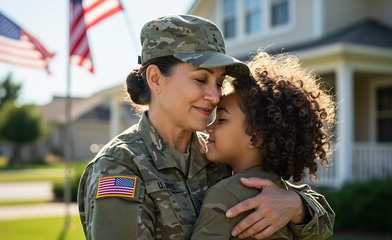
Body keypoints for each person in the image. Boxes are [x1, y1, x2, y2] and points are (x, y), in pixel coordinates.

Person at [78, 14, 334, 240]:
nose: (214, 96)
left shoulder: (217, 150)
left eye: (219, 82)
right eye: (201, 79)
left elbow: (324, 221)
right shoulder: (120, 167)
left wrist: (296, 205)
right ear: (155, 78)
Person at [190, 51, 336, 239]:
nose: (208, 127)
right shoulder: (282, 190)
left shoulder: (224, 195)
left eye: (221, 120)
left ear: (255, 138)